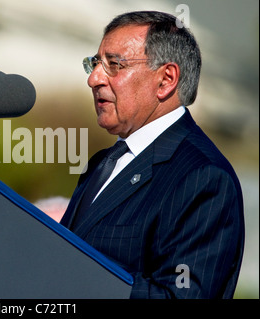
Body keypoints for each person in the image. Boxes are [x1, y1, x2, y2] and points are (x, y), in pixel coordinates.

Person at [60, 11, 244, 299]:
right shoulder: (102, 163)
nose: (94, 79)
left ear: (165, 80)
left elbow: (179, 295)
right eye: (95, 64)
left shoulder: (203, 178)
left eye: (114, 65)